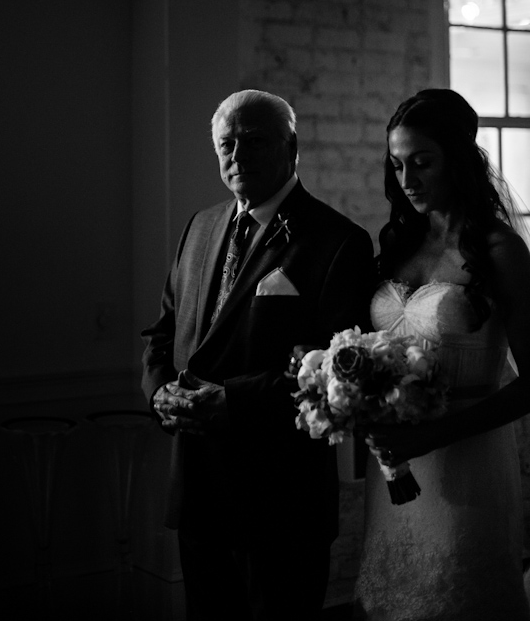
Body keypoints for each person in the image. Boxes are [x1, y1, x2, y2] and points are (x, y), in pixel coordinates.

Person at [141, 89, 374, 621]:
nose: (237, 156)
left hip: (281, 497)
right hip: (199, 486)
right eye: (227, 144)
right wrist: (158, 391)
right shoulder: (198, 227)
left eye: (254, 141)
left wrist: (233, 401)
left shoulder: (339, 241)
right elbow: (163, 333)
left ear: (291, 147)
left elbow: (332, 366)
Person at [354, 88, 530, 621]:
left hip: (468, 464)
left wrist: (434, 433)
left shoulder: (499, 250)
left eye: (422, 163)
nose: (407, 181)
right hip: (395, 467)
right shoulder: (398, 246)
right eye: (397, 164)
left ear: (458, 159)